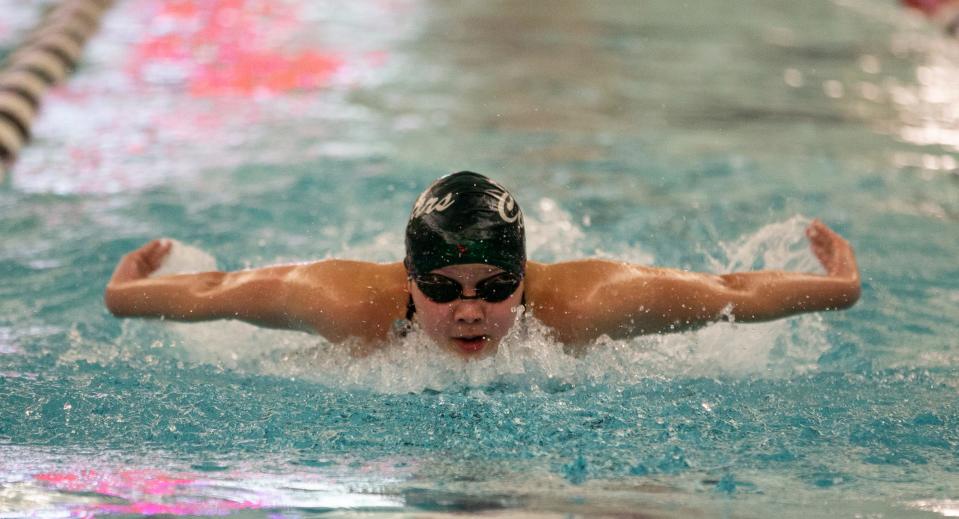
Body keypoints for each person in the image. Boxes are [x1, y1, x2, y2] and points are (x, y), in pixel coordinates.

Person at [105, 171, 861, 358]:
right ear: (407, 278)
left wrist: (838, 287)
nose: (469, 310)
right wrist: (122, 295)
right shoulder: (345, 302)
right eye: (441, 289)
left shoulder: (585, 302)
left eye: (496, 288)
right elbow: (216, 290)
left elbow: (729, 292)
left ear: (526, 277)